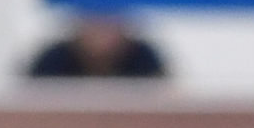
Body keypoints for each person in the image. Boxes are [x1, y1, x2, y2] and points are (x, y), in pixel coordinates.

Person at [24, 15, 169, 79]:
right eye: (94, 23)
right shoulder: (53, 59)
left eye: (109, 23)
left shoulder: (144, 57)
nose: (101, 31)